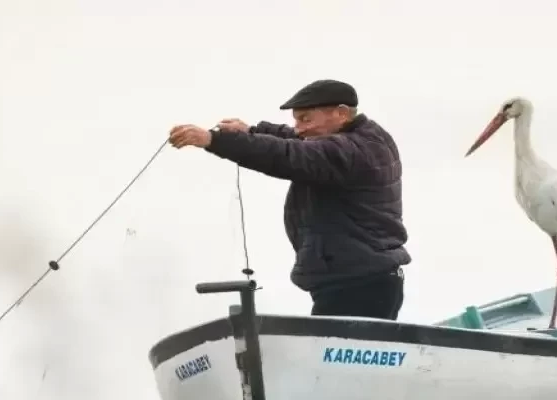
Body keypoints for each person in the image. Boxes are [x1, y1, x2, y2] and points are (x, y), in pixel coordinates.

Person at [168, 79, 411, 321]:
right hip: (361, 279)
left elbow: (286, 153)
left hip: (359, 287)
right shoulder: (364, 136)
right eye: (296, 119)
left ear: (341, 113)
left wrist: (214, 140)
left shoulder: (351, 151)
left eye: (305, 119)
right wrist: (252, 131)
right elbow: (293, 139)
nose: (298, 127)